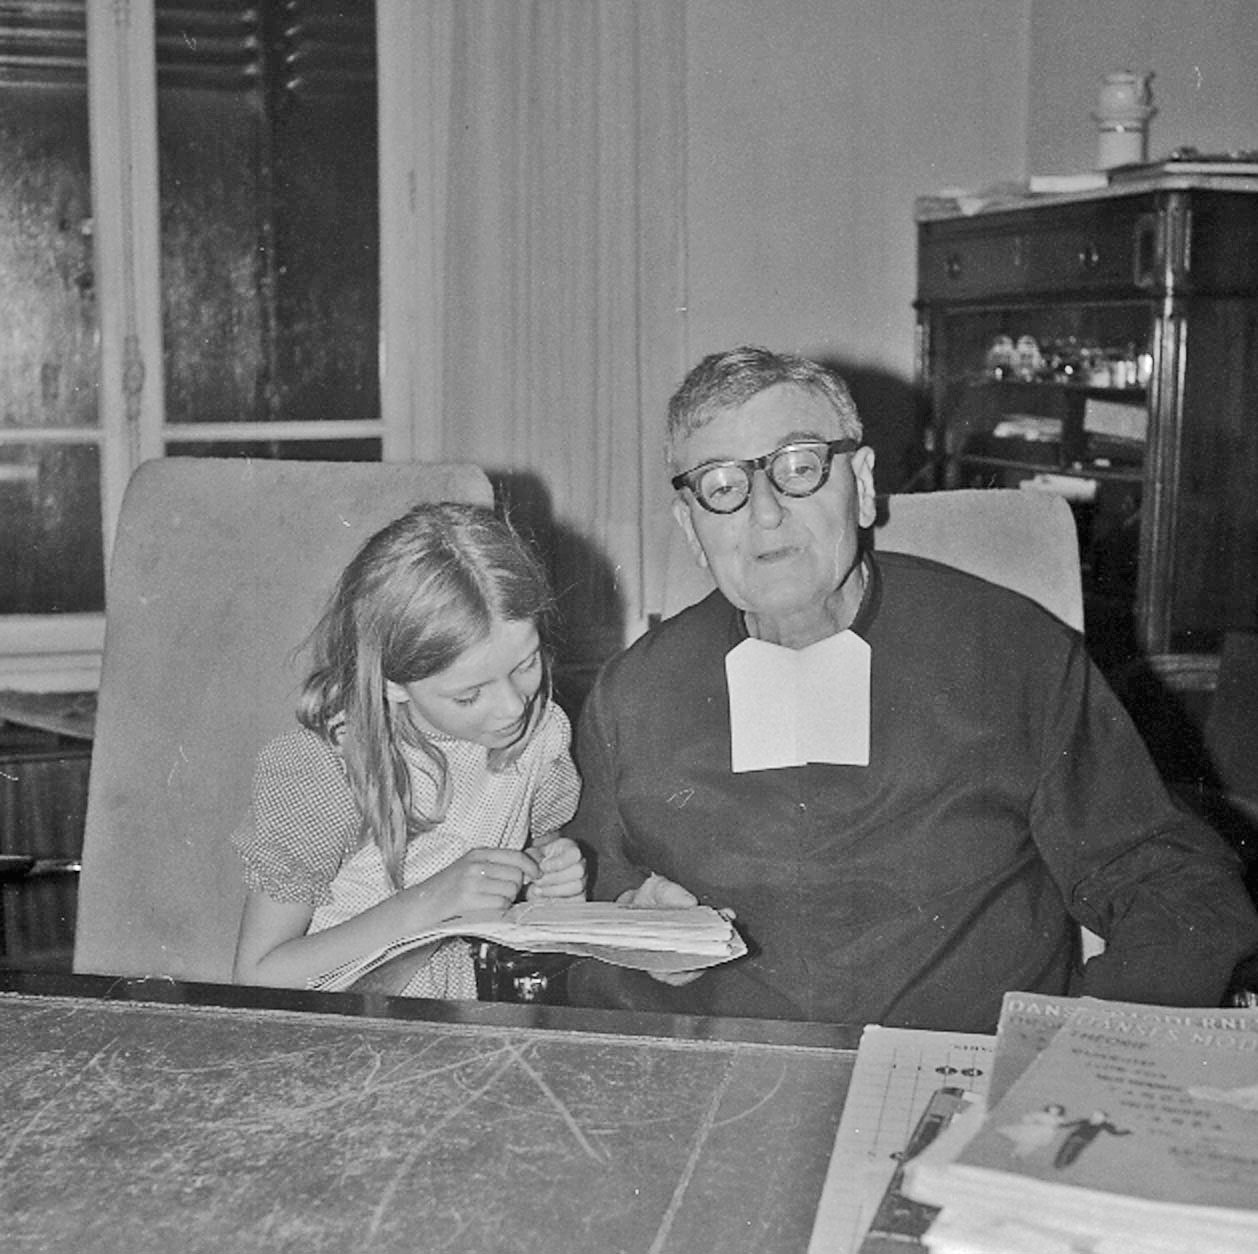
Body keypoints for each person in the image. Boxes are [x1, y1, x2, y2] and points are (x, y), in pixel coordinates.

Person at [564, 345, 1258, 1032]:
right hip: (721, 1075)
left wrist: (1079, 1049)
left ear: (862, 484)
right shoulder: (634, 693)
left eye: (799, 467)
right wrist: (630, 933)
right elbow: (580, 913)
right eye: (722, 487)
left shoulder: (1010, 651)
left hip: (964, 1076)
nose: (765, 512)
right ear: (691, 527)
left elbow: (1172, 886)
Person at [232, 501, 585, 998]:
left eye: (525, 665)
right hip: (337, 1019)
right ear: (392, 683)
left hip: (459, 1008)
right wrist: (426, 903)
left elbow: (537, 850)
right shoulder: (327, 769)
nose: (513, 707)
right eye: (469, 695)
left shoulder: (541, 736)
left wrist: (550, 871)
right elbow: (257, 976)